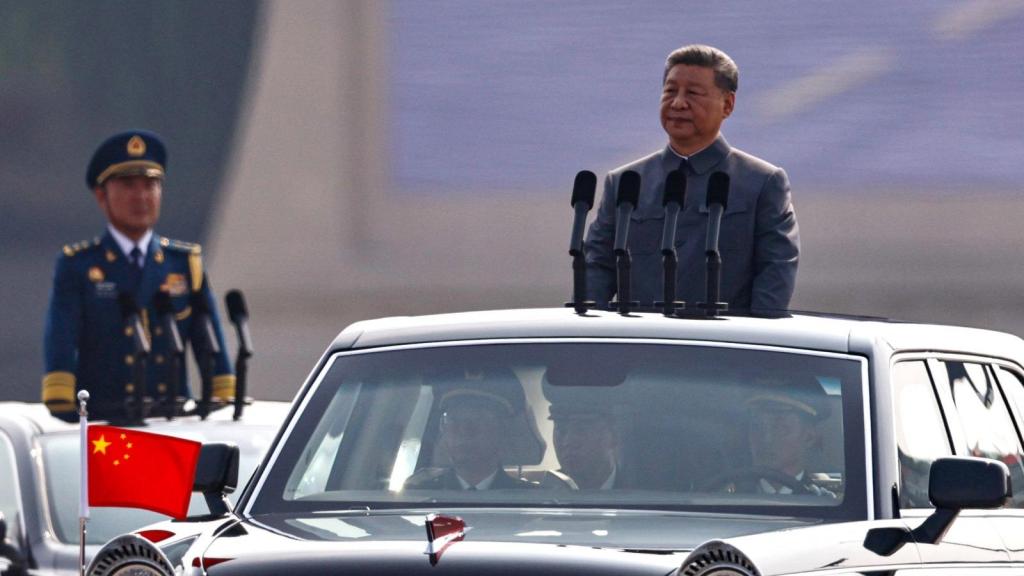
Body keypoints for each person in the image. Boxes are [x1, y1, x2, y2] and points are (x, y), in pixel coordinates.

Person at [584, 45, 799, 314]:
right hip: (640, 347)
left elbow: (775, 272)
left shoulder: (762, 182)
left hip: (723, 348)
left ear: (728, 104)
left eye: (693, 93)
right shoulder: (626, 183)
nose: (677, 103)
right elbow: (597, 270)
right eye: (670, 91)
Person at [41, 130, 235, 422]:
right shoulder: (79, 266)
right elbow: (61, 339)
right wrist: (62, 397)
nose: (141, 196)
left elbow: (210, 343)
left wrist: (222, 389)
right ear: (101, 195)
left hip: (174, 422)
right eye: (129, 186)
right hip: (105, 422)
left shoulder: (183, 263)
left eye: (150, 185)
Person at [404, 369, 537, 490]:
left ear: (503, 430)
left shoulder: (530, 502)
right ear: (443, 428)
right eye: (454, 419)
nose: (464, 430)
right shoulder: (418, 495)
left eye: (479, 419)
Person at [724, 376, 835, 497]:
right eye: (757, 426)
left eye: (781, 428)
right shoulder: (725, 498)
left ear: (809, 437)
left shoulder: (824, 504)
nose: (766, 438)